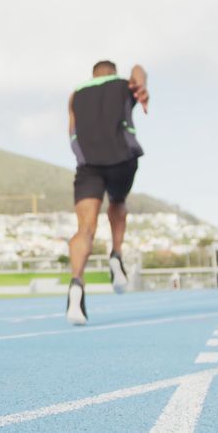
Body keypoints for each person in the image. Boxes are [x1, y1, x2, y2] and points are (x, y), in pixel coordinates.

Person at [65, 60, 149, 325]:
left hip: (89, 165)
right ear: (113, 73)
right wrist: (141, 84)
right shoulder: (124, 85)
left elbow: (71, 131)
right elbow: (138, 69)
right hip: (122, 160)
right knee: (118, 201)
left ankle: (76, 284)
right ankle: (116, 254)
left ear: (93, 75)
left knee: (84, 230)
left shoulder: (76, 94)